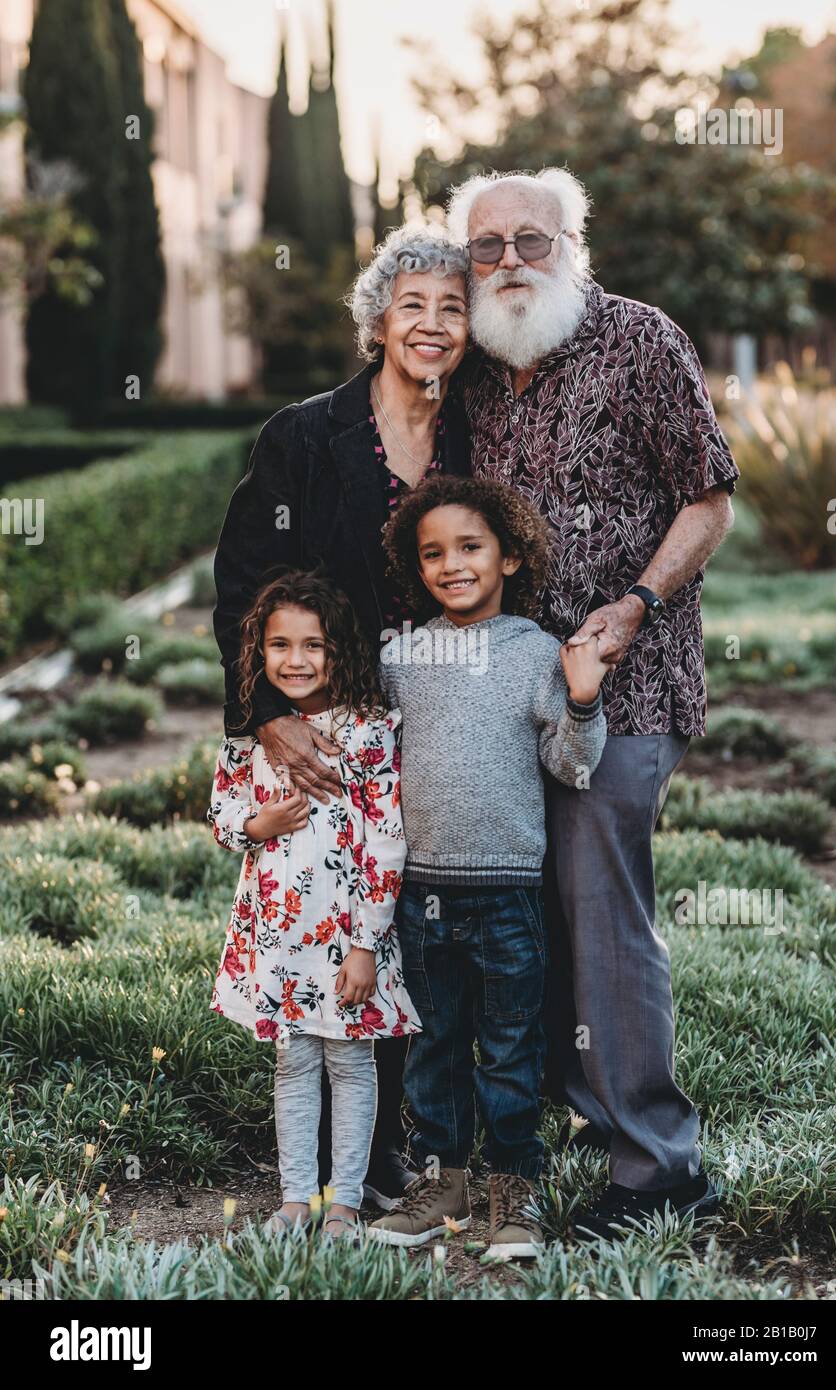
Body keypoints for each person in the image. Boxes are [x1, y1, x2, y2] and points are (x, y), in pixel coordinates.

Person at [447, 166, 739, 1241]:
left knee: (602, 910)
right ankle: (592, 1111)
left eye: (533, 238)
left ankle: (660, 1166)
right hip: (506, 693)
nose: (511, 261)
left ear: (574, 243)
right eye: (488, 246)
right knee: (539, 916)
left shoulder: (641, 339)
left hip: (628, 680)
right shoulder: (474, 370)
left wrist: (637, 601)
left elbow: (709, 498)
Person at [212, 227, 471, 1209]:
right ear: (377, 319)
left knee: (411, 908)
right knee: (332, 916)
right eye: (413, 305)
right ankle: (337, 1162)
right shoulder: (303, 437)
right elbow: (243, 579)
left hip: (446, 714)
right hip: (327, 724)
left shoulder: (479, 437)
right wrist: (268, 715)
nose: (432, 325)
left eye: (453, 307)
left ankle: (423, 1132)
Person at [367, 475, 609, 1258]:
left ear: (508, 556)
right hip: (419, 892)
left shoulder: (537, 652)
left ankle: (514, 1192)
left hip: (507, 892)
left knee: (510, 1050)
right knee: (432, 1048)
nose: (451, 565)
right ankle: (444, 1184)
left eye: (469, 548)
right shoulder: (399, 658)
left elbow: (573, 767)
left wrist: (581, 700)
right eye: (432, 553)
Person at [207, 570, 421, 1240]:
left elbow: (386, 841)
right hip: (276, 936)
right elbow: (220, 810)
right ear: (259, 651)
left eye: (313, 646)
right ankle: (296, 1198)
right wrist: (254, 826)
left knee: (352, 1066)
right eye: (279, 645)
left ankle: (346, 1203)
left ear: (340, 651)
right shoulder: (253, 735)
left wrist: (365, 944)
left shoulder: (366, 731)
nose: (295, 661)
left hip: (346, 941)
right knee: (294, 1065)